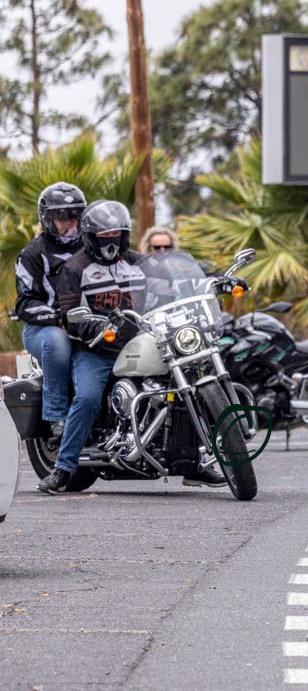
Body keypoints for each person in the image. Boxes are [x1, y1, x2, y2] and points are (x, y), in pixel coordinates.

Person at [39, 201, 227, 493]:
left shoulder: (138, 262)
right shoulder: (75, 268)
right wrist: (94, 325)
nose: (111, 243)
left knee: (182, 383)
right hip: (97, 349)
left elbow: (178, 278)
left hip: (142, 339)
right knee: (88, 398)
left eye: (117, 236)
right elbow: (68, 314)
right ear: (91, 237)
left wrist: (214, 279)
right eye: (104, 237)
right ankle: (63, 469)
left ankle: (194, 464)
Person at [13, 182, 88, 435]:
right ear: (47, 219)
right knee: (58, 342)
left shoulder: (92, 247)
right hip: (43, 329)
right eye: (62, 217)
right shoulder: (33, 253)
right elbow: (24, 304)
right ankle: (57, 416)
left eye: (75, 215)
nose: (70, 222)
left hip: (88, 323)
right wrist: (59, 318)